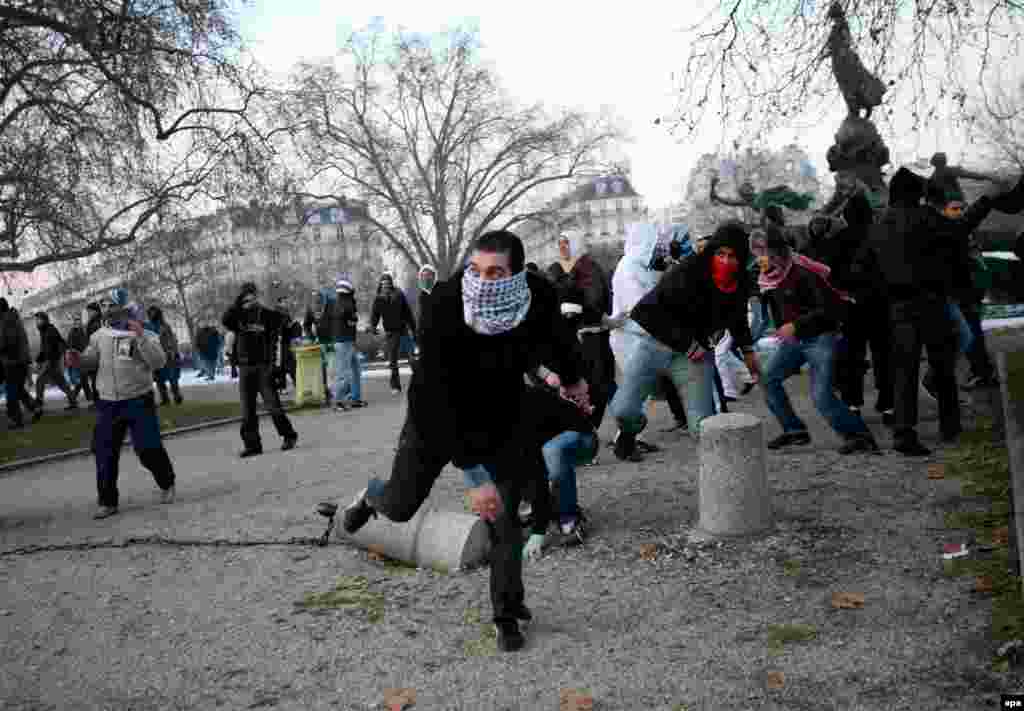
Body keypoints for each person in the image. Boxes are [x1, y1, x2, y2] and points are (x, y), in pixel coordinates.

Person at [334, 230, 591, 652]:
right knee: (400, 506)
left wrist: (575, 380)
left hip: (500, 413)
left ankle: (507, 613)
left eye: (496, 273)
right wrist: (475, 476)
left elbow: (559, 342)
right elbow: (435, 398)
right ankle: (371, 497)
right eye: (475, 270)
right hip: (436, 418)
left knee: (505, 519)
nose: (484, 282)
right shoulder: (443, 306)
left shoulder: (536, 295)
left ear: (516, 277)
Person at [854, 167, 1024, 455]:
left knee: (904, 371)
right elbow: (961, 229)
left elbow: (860, 269)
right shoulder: (926, 218)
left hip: (897, 306)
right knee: (942, 365)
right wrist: (986, 199)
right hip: (930, 301)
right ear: (914, 194)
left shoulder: (878, 225)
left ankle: (904, 432)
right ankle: (950, 426)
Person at [611, 223, 758, 461]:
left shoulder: (739, 280)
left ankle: (725, 472)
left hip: (694, 358)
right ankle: (629, 432)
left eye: (733, 256)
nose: (726, 261)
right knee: (623, 409)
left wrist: (749, 352)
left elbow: (738, 316)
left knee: (703, 427)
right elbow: (643, 312)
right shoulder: (689, 270)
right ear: (712, 252)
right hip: (656, 345)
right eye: (721, 254)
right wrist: (687, 344)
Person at [750, 226, 880, 454]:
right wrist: (782, 328)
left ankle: (859, 436)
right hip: (794, 341)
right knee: (768, 379)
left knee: (821, 395)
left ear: (778, 251)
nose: (759, 257)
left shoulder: (802, 270)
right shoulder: (768, 277)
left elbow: (830, 308)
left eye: (764, 251)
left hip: (820, 337)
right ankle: (794, 430)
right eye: (756, 252)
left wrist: (796, 325)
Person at [79, 298, 177, 519]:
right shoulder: (97, 337)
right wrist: (78, 360)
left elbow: (159, 362)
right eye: (105, 308)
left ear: (124, 310)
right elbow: (90, 362)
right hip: (107, 403)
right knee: (104, 452)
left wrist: (140, 336)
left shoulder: (145, 332)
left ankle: (167, 482)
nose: (108, 311)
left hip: (138, 399)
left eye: (113, 306)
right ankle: (107, 502)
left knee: (147, 448)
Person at [546, 231, 616, 430]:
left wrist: (576, 308)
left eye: (566, 242)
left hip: (591, 335)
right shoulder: (559, 270)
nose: (562, 247)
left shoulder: (588, 268)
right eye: (559, 243)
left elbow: (595, 302)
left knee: (598, 384)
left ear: (575, 243)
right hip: (569, 338)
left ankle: (594, 428)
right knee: (577, 385)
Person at [222, 282, 298, 457]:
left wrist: (276, 367)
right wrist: (238, 304)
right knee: (247, 410)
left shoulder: (267, 315)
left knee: (273, 406)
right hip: (245, 367)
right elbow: (225, 319)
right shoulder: (237, 316)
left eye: (252, 297)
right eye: (246, 298)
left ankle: (289, 435)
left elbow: (282, 329)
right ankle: (252, 445)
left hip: (263, 367)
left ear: (257, 296)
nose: (250, 301)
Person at [370, 273, 417, 395]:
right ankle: (395, 386)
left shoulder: (399, 294)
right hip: (391, 333)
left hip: (403, 330)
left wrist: (414, 329)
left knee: (411, 359)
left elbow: (408, 312)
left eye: (387, 283)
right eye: (383, 284)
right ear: (380, 285)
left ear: (391, 284)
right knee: (393, 361)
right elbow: (375, 315)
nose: (385, 286)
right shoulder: (379, 298)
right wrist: (373, 327)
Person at [321, 278, 362, 411]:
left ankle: (354, 398)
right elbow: (352, 319)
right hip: (345, 341)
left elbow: (351, 320)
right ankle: (338, 401)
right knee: (344, 373)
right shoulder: (345, 303)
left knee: (354, 369)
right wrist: (352, 319)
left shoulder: (337, 302)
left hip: (344, 340)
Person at [0, 298, 35, 428]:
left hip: (13, 361)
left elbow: (9, 342)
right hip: (18, 360)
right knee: (18, 389)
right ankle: (35, 407)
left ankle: (16, 419)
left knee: (12, 391)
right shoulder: (11, 318)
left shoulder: (7, 320)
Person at [33, 311, 76, 415]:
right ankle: (73, 400)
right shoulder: (43, 331)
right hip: (50, 360)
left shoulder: (50, 329)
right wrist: (39, 359)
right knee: (61, 382)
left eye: (38, 319)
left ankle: (38, 404)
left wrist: (66, 351)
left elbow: (60, 341)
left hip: (51, 360)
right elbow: (44, 348)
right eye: (36, 320)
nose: (36, 322)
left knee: (40, 380)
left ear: (44, 320)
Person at [145, 306, 183, 406]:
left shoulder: (165, 326)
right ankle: (165, 398)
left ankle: (177, 396)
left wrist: (173, 351)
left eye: (154, 312)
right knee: (159, 379)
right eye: (150, 312)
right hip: (155, 355)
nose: (152, 314)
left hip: (167, 354)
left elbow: (171, 339)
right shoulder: (148, 326)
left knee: (172, 377)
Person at [276, 296, 303, 391]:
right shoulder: (281, 312)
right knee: (290, 364)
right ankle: (296, 384)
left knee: (283, 365)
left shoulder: (283, 311)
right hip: (285, 342)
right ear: (280, 302)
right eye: (285, 301)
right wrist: (292, 324)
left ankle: (282, 386)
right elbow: (282, 326)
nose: (287, 302)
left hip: (285, 341)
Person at [66, 312, 92, 403]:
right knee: (82, 380)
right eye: (75, 320)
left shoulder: (81, 330)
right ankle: (76, 398)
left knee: (83, 380)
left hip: (82, 358)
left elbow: (85, 344)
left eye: (78, 319)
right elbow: (70, 346)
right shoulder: (72, 332)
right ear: (72, 321)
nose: (77, 321)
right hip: (76, 359)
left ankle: (73, 398)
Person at [83, 302, 103, 404]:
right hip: (94, 353)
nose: (89, 313)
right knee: (95, 378)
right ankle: (97, 399)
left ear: (95, 311)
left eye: (90, 311)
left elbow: (95, 339)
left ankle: (98, 400)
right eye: (88, 311)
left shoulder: (96, 323)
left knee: (95, 378)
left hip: (96, 353)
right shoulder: (93, 322)